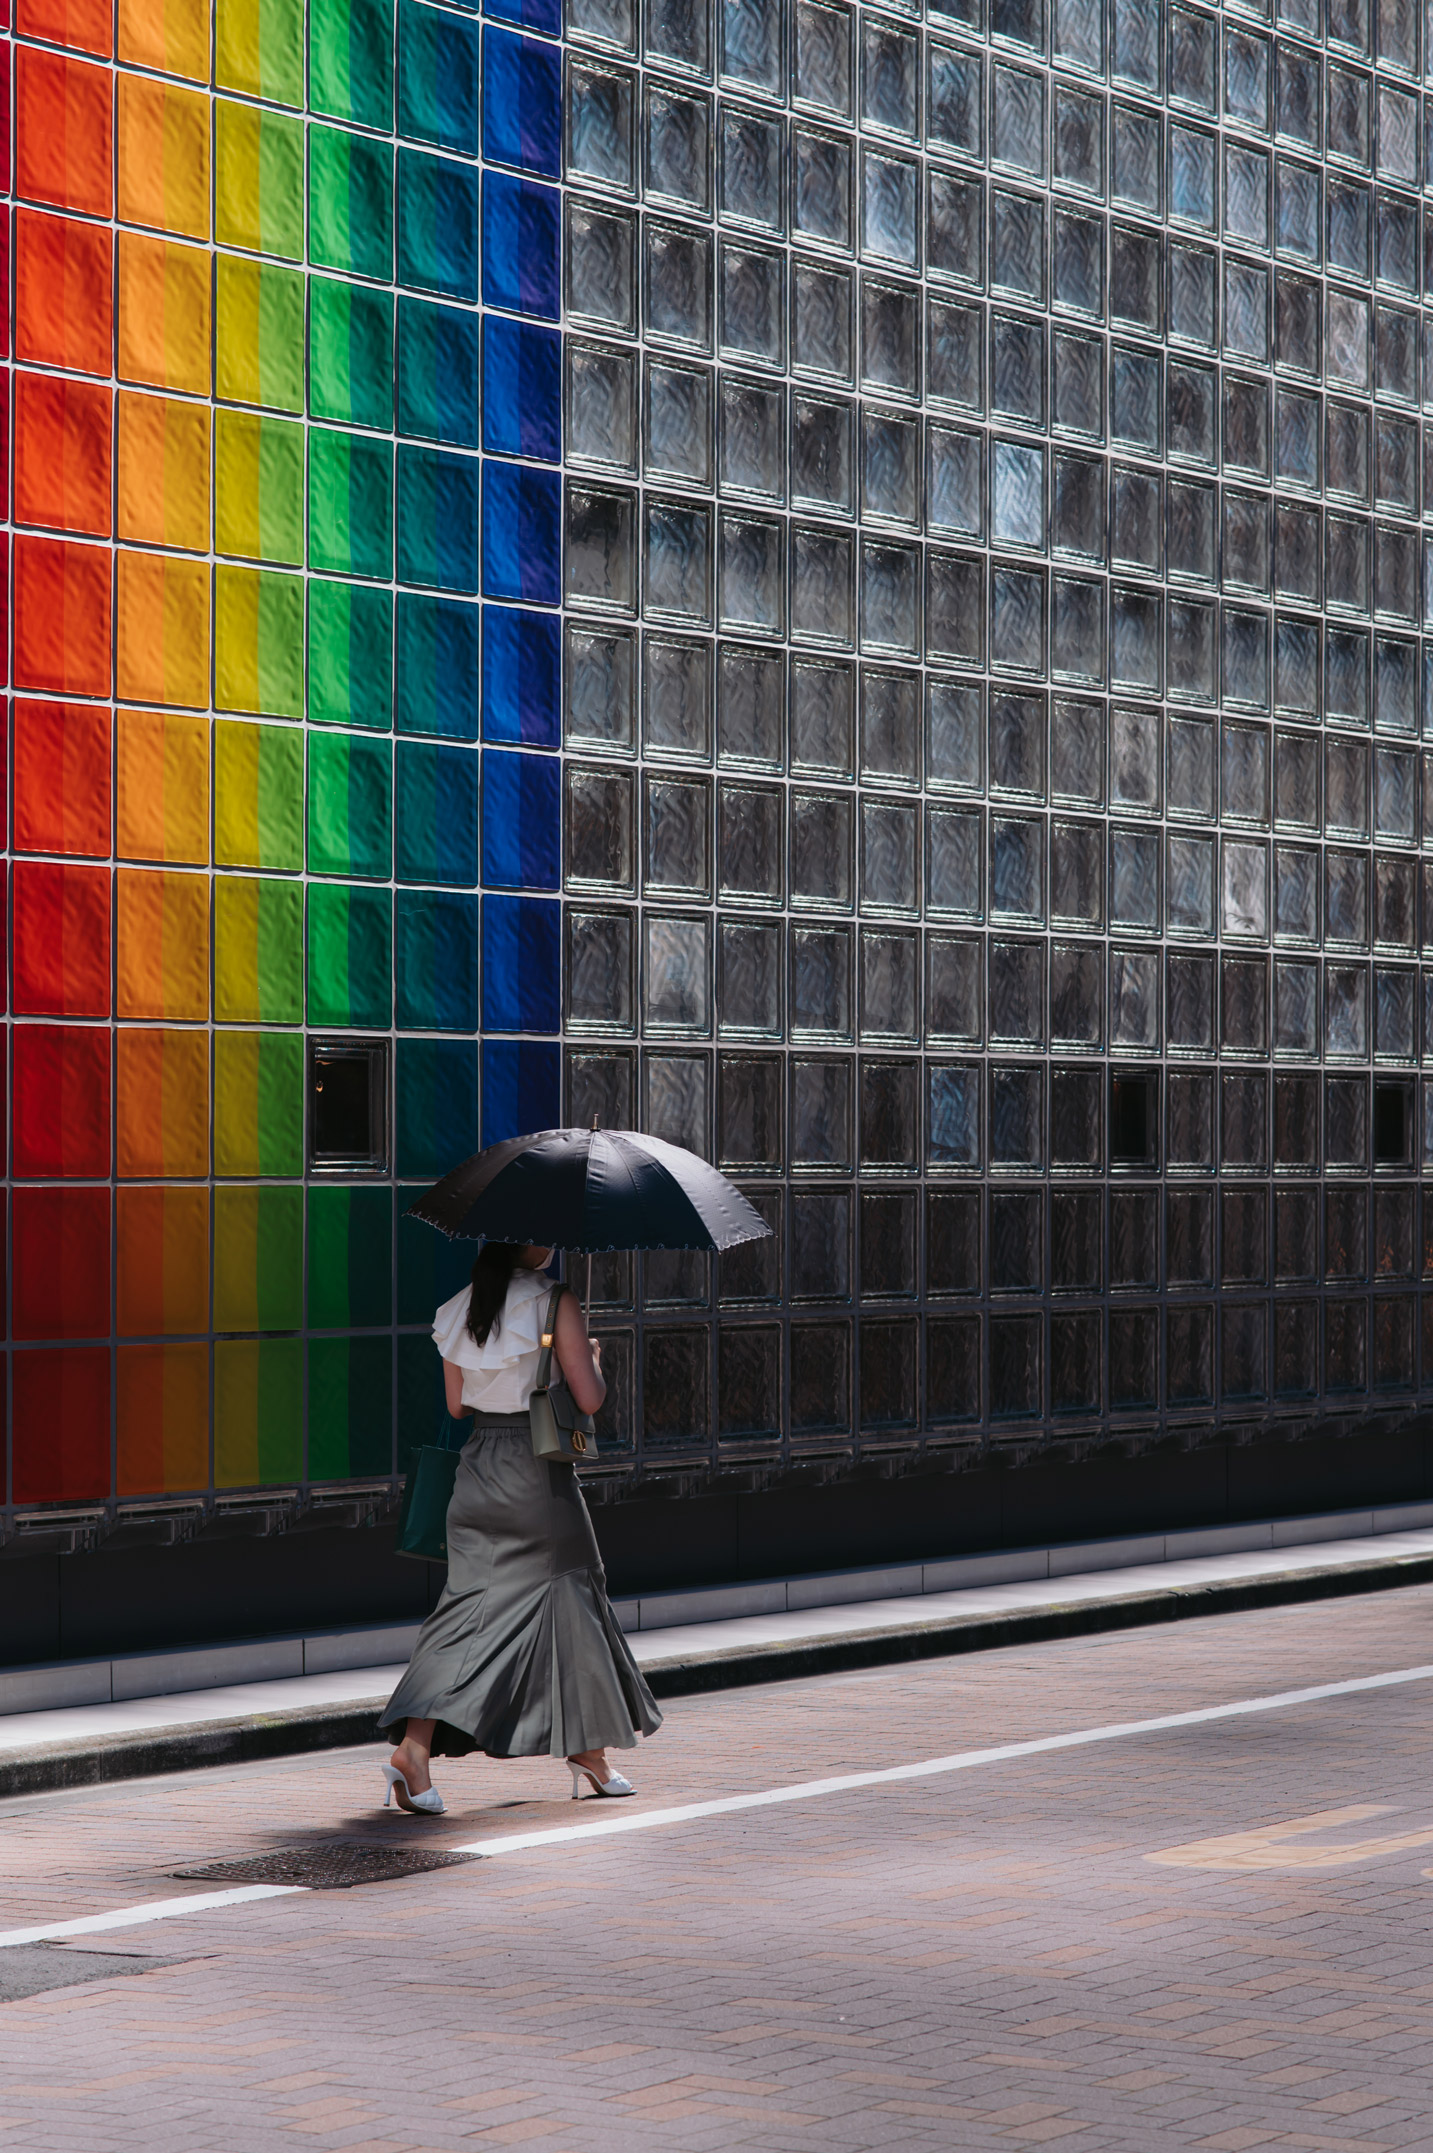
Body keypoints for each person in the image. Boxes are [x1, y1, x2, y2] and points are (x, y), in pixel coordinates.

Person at [378, 1241, 662, 1815]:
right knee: (576, 1592)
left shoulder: (459, 1305)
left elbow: (457, 1406)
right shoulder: (556, 1301)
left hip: (478, 1470)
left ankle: (415, 1750)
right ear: (530, 1245)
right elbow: (589, 1397)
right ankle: (590, 1753)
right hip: (536, 1473)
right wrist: (594, 1363)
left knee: (463, 1611)